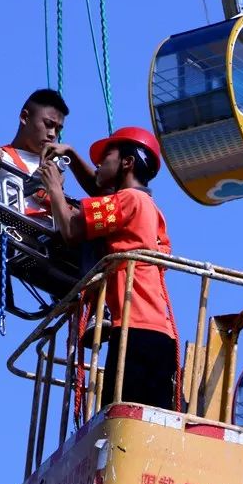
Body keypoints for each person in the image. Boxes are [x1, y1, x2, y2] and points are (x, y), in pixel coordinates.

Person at [39, 127, 179, 411]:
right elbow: (99, 188)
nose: (99, 164)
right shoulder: (148, 207)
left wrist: (53, 186)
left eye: (106, 157)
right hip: (159, 335)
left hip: (134, 332)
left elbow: (70, 231)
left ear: (127, 163)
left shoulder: (128, 201)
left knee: (118, 421)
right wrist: (72, 154)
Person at [0, 88, 70, 216]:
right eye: (48, 124)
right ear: (25, 117)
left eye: (58, 129)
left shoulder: (53, 166)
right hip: (13, 230)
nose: (52, 134)